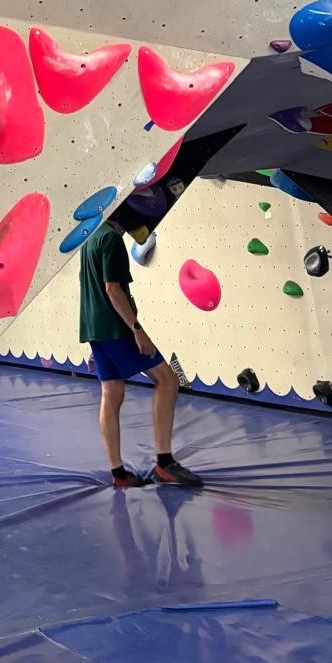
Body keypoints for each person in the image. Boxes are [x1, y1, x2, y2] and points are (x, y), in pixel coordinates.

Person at [79, 208, 202, 487]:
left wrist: (99, 340)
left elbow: (93, 288)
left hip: (96, 328)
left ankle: (118, 473)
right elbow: (112, 289)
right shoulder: (111, 239)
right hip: (116, 327)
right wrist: (137, 330)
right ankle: (164, 464)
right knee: (167, 380)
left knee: (112, 392)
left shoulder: (90, 237)